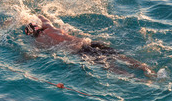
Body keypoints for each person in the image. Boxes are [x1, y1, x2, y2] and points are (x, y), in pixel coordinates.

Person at [24, 15, 156, 78]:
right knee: (120, 56)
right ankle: (146, 68)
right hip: (87, 43)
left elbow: (31, 54)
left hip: (80, 52)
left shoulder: (38, 42)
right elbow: (42, 16)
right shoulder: (49, 27)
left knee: (110, 66)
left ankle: (134, 79)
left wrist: (21, 60)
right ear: (38, 27)